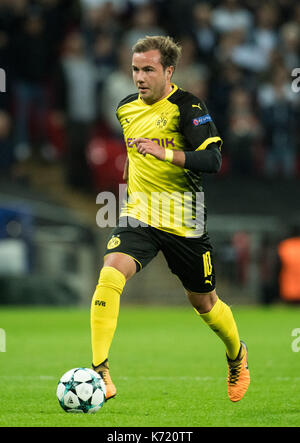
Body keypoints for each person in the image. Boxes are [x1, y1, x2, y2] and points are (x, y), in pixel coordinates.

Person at [90, 35, 250, 403]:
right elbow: (135, 155)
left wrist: (165, 153)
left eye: (148, 69)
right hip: (139, 214)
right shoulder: (125, 108)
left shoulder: (189, 107)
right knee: (110, 273)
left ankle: (237, 355)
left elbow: (212, 161)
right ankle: (100, 373)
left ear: (168, 71)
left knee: (205, 303)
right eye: (135, 69)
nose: (140, 77)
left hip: (184, 221)